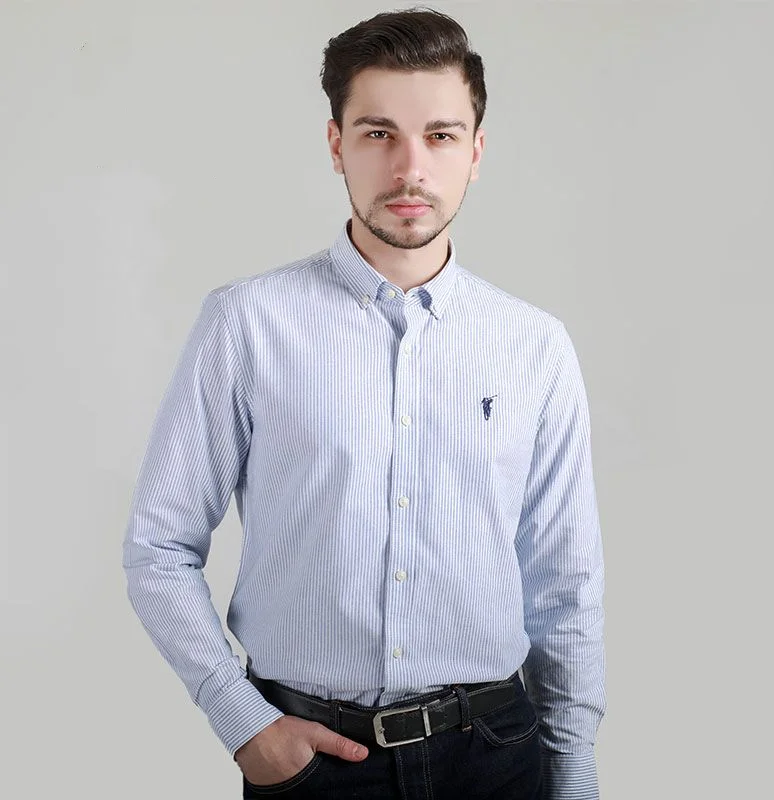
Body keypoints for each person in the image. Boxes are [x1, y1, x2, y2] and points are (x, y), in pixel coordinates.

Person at [122, 7, 605, 799]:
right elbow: (158, 548)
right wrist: (243, 721)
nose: (410, 167)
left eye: (441, 135)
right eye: (379, 133)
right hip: (313, 761)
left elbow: (565, 583)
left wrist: (573, 767)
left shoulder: (535, 344)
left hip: (497, 756)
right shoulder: (247, 323)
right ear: (335, 144)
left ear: (476, 153)